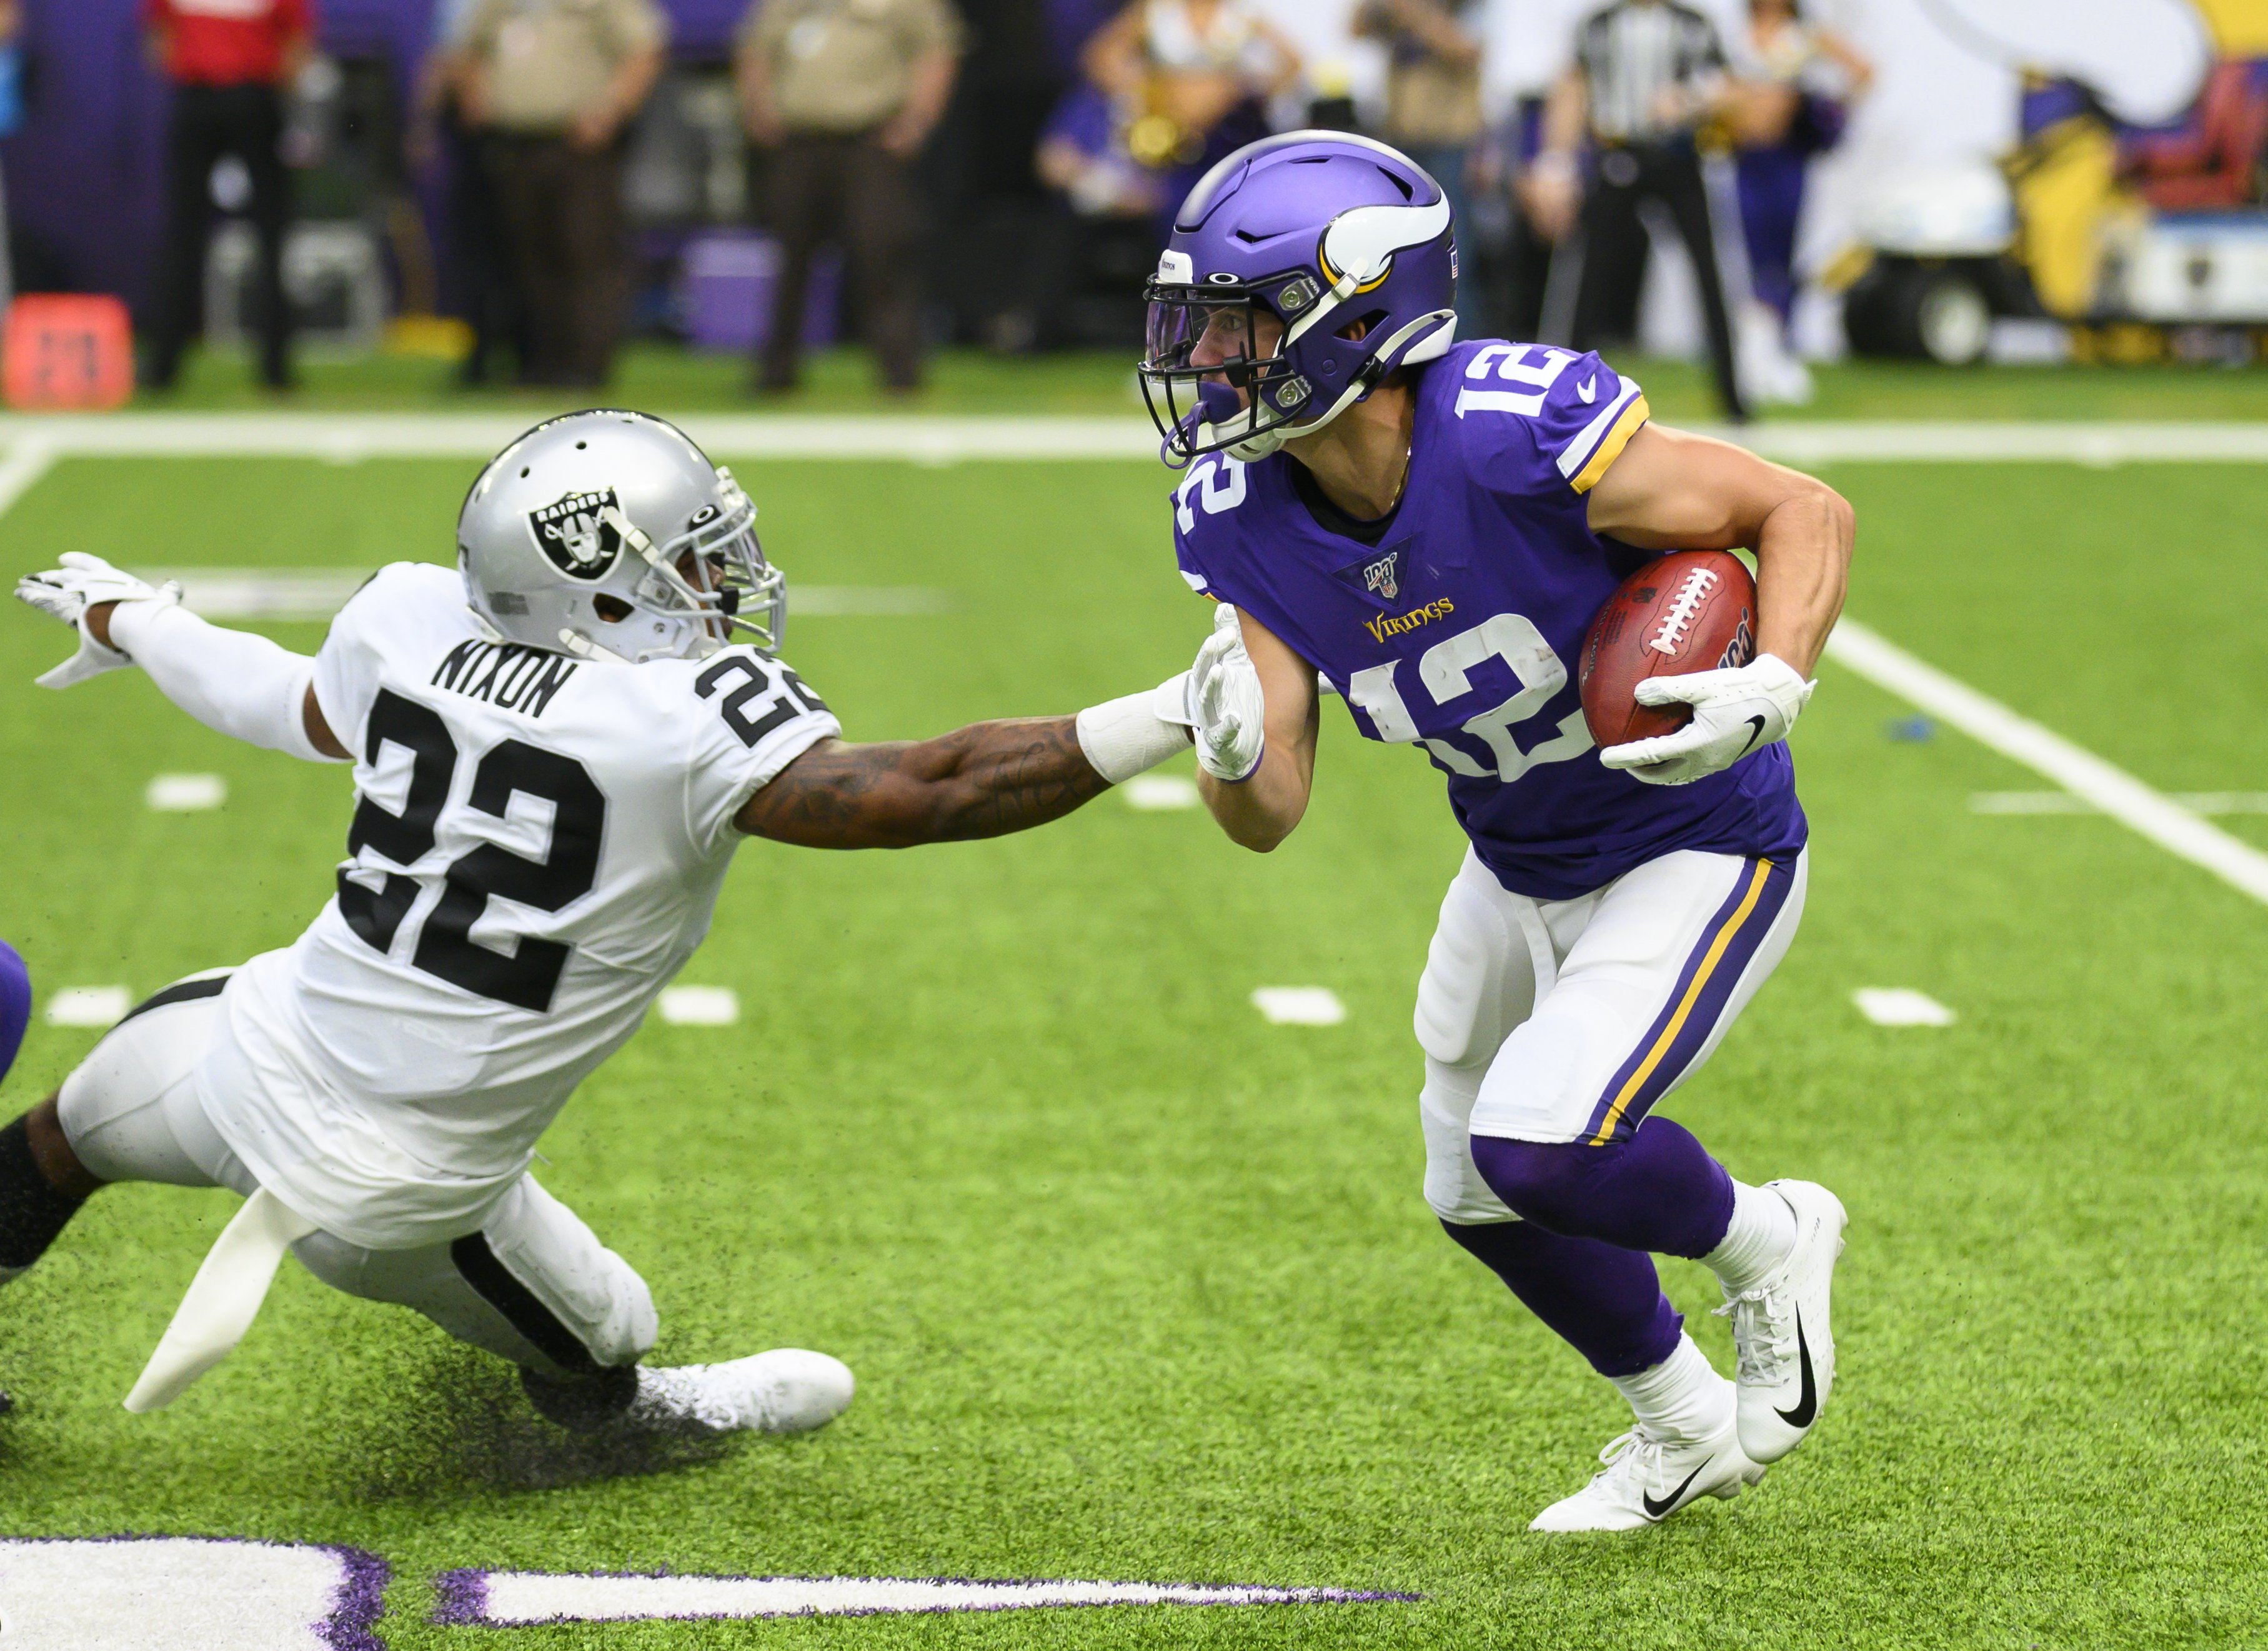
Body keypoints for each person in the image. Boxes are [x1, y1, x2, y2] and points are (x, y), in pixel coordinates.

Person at [6, 412, 1198, 1437]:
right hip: (393, 1191)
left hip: (231, 1060)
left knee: (54, 1141)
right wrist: (1164, 713)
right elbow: (925, 793)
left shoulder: (409, 618)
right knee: (611, 1340)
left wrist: (133, 624)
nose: (719, 582)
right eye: (689, 562)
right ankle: (634, 1420)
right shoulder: (677, 717)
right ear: (595, 577)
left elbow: (282, 703)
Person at [1141, 132, 1854, 1530]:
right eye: (1201, 320)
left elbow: (1799, 506)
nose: (1212, 354)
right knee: (1472, 1186)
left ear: (1358, 309)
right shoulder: (1239, 512)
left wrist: (1775, 677)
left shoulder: (1512, 427)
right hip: (1518, 856)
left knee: (1541, 1145)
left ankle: (1773, 1238)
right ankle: (1683, 1423)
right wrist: (1226, 749)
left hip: (1691, 841)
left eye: (1243, 318)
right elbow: (1270, 810)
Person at [1524, 0, 1748, 421]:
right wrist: (1555, 161)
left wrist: (1690, 99)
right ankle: (1562, 397)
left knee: (1710, 276)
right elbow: (1573, 89)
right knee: (1588, 279)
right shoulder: (1599, 25)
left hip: (1680, 156)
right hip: (1618, 153)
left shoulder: (1693, 25)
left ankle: (1734, 396)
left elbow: (1732, 88)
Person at [736, 0, 964, 394]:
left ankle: (901, 373)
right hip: (797, 140)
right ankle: (775, 372)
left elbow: (936, 52)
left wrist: (918, 118)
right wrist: (757, 105)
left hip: (869, 141)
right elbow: (755, 49)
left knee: (882, 253)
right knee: (787, 257)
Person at [457, 0, 666, 388]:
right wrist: (476, 96)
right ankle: (540, 365)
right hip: (513, 142)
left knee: (585, 254)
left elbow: (644, 49)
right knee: (527, 258)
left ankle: (586, 367)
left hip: (579, 144)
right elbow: (469, 47)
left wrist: (611, 109)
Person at [141, 0, 314, 392]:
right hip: (252, 97)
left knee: (184, 235)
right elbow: (298, 45)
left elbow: (157, 41)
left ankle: (163, 367)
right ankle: (275, 370)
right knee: (269, 234)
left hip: (198, 98)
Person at [1080, 0, 1298, 223]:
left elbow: (1293, 62)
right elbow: (1101, 57)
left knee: (1235, 214)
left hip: (1228, 137)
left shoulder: (1240, 13)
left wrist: (1245, 88)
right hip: (1174, 142)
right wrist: (1146, 91)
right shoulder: (1159, 10)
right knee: (1179, 216)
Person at [1724, 0, 1869, 331]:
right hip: (1747, 158)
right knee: (1753, 251)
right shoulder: (1739, 36)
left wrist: (1830, 112)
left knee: (1784, 250)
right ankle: (1759, 333)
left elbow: (1863, 71)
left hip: (1787, 157)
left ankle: (1783, 333)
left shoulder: (1803, 36)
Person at [1352, 0, 1485, 332]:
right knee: (1400, 254)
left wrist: (1415, 11)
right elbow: (1354, 28)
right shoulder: (1396, 14)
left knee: (1453, 254)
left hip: (1450, 143)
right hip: (1401, 142)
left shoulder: (1463, 9)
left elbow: (1466, 51)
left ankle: (1461, 341)